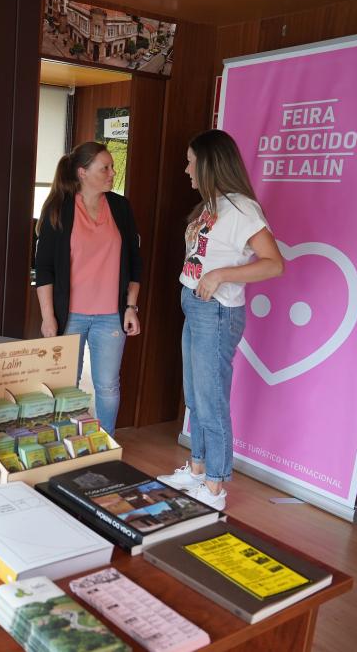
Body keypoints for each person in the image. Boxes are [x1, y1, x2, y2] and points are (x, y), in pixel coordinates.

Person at [157, 129, 284, 511]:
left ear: (210, 164)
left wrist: (220, 275)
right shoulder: (211, 206)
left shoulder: (243, 208)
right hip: (194, 304)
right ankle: (197, 469)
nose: (186, 169)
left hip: (217, 311)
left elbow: (274, 264)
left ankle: (214, 488)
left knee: (211, 400)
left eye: (191, 161)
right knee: (195, 395)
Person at [34, 141, 142, 434]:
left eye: (111, 167)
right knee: (64, 385)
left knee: (107, 385)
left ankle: (104, 444)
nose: (112, 173)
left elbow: (134, 261)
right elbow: (43, 269)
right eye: (104, 168)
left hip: (111, 314)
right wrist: (47, 317)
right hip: (70, 315)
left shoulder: (120, 207)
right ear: (82, 172)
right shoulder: (60, 209)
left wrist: (131, 307)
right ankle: (65, 442)